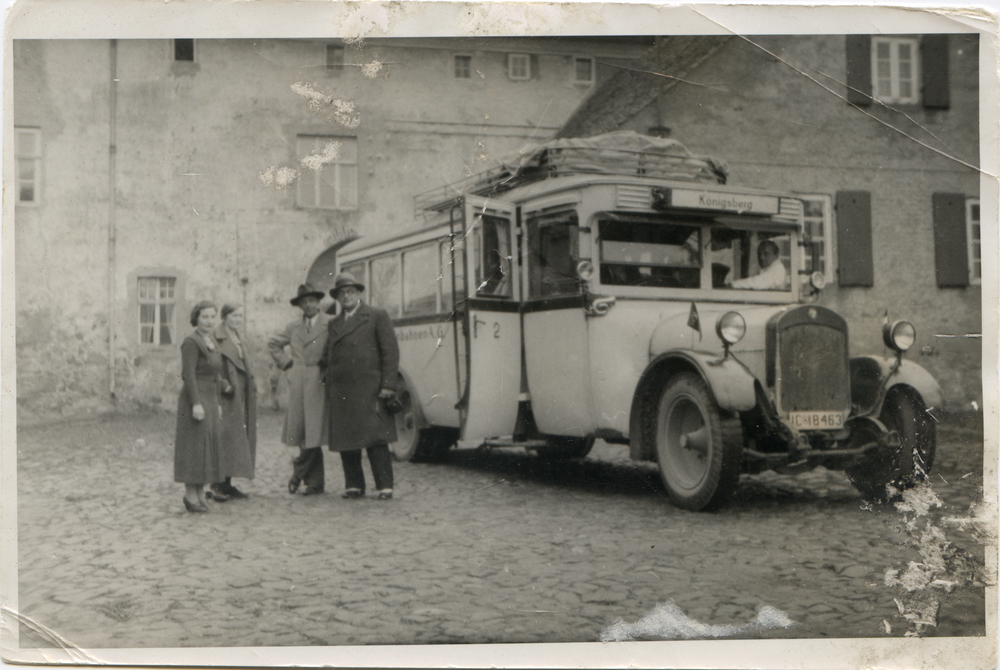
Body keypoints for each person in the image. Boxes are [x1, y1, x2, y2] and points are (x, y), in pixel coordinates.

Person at [321, 272, 400, 500]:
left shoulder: (376, 316)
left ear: (358, 293)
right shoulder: (335, 323)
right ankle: (354, 485)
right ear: (337, 297)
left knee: (376, 438)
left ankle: (385, 486)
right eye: (341, 293)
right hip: (342, 390)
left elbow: (390, 352)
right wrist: (328, 379)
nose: (346, 296)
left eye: (350, 292)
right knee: (347, 439)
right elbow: (328, 354)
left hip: (371, 388)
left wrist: (388, 385)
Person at [268, 283, 331, 495]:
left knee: (315, 429)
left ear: (318, 302)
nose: (308, 305)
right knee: (304, 431)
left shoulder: (330, 324)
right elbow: (273, 344)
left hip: (320, 379)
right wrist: (286, 363)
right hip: (298, 380)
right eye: (304, 302)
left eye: (312, 300)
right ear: (300, 306)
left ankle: (299, 472)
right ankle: (315, 483)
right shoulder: (293, 327)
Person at [174, 301, 225, 513]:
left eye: (213, 317)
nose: (209, 321)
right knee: (194, 447)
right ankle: (190, 495)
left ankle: (201, 492)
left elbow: (216, 374)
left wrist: (218, 403)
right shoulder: (191, 342)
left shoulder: (211, 340)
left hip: (210, 398)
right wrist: (196, 403)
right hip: (195, 399)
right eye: (205, 317)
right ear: (196, 318)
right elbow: (189, 375)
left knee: (206, 446)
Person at [208, 303, 256, 502]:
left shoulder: (237, 337)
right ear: (225, 316)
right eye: (235, 316)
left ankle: (227, 483)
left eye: (241, 316)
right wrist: (224, 386)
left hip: (240, 395)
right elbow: (209, 367)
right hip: (225, 395)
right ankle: (216, 484)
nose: (238, 319)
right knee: (223, 437)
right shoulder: (215, 337)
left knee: (235, 438)